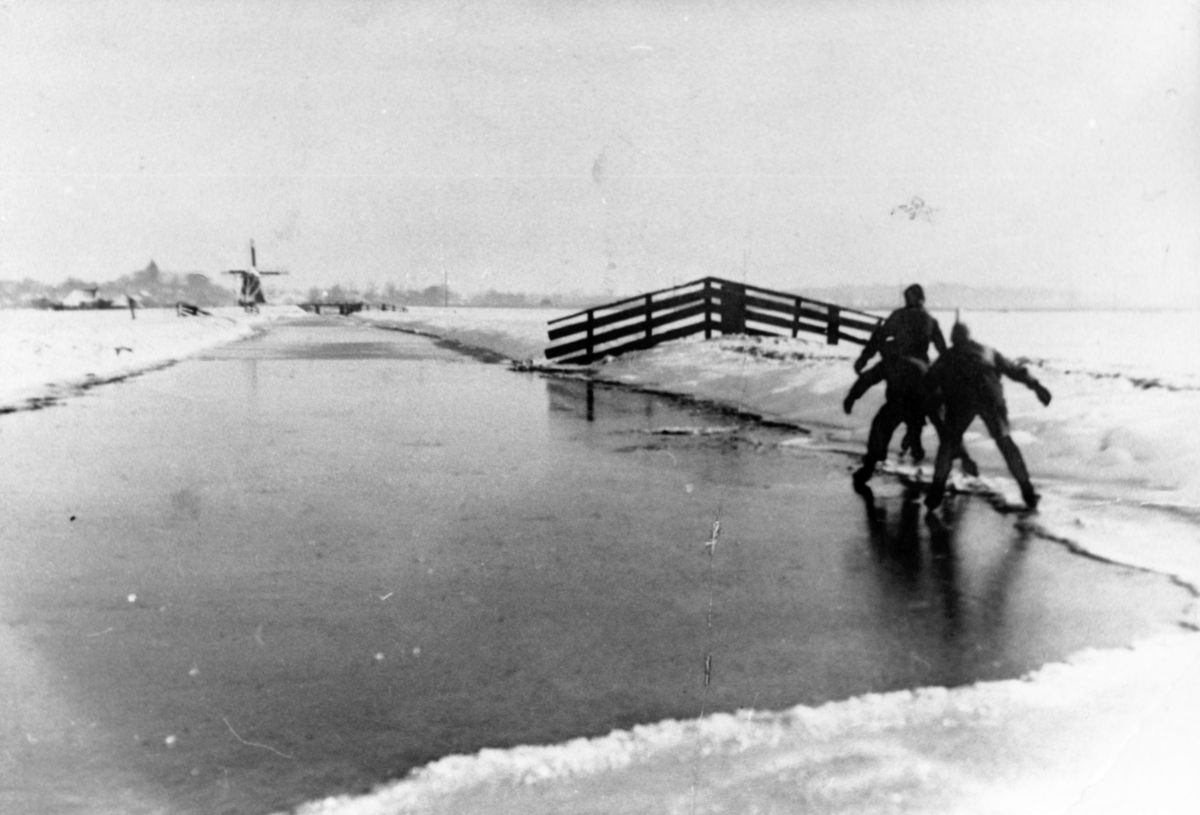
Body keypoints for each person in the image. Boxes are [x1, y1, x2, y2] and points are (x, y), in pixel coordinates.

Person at [923, 322, 1052, 511]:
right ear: (970, 336)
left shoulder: (948, 356)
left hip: (961, 399)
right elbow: (1015, 370)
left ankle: (936, 491)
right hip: (990, 396)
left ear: (953, 338)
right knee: (1005, 442)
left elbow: (928, 382)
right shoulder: (988, 351)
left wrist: (932, 402)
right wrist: (1037, 386)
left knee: (948, 445)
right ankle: (1028, 493)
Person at [845, 284, 947, 486]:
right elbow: (943, 350)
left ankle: (870, 466)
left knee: (882, 424)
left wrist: (862, 364)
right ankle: (922, 452)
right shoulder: (930, 320)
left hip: (902, 382)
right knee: (924, 414)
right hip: (925, 377)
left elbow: (877, 341)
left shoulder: (899, 319)